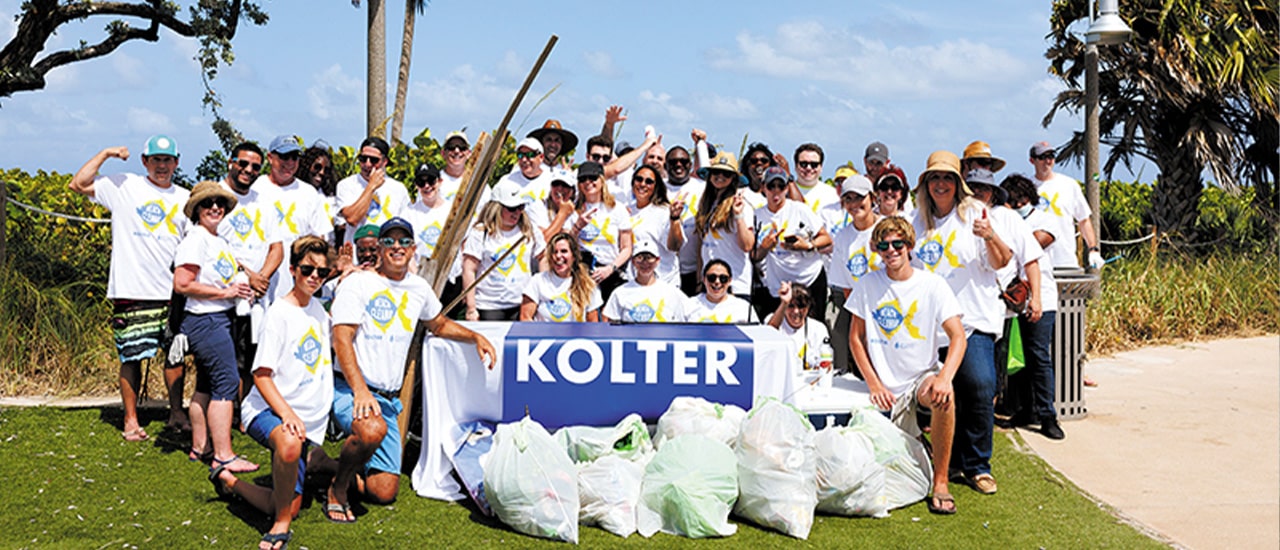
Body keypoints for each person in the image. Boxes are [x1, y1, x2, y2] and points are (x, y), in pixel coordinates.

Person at [327, 217, 496, 518]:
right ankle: (337, 487)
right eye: (389, 241)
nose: (397, 247)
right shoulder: (358, 283)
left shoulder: (418, 288)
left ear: (413, 249)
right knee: (371, 429)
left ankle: (322, 463)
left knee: (383, 491)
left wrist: (475, 337)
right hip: (351, 389)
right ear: (378, 248)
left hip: (388, 399)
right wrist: (360, 391)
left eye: (404, 241)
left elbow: (439, 324)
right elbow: (342, 338)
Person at [211, 236, 335, 550]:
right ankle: (281, 526)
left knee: (289, 502)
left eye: (322, 272)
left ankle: (230, 481)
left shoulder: (321, 312)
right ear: (292, 269)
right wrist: (288, 414)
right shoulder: (279, 314)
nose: (314, 277)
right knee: (290, 444)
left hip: (305, 422)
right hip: (268, 409)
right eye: (307, 269)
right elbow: (261, 376)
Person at [68, 135, 191, 441]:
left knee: (174, 355)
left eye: (167, 160)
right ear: (144, 161)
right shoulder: (124, 185)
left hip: (171, 291)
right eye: (155, 159)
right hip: (131, 289)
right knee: (131, 357)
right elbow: (78, 184)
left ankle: (176, 412)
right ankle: (131, 419)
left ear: (176, 162)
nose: (161, 166)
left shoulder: (186, 198)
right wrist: (106, 152)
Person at [846, 216, 967, 515]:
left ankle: (941, 481)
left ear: (910, 246)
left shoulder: (933, 285)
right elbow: (855, 339)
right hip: (882, 387)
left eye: (898, 243)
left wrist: (944, 378)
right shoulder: (868, 283)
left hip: (919, 381)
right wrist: (874, 384)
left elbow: (958, 337)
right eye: (884, 245)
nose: (891, 250)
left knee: (944, 398)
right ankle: (919, 445)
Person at [913, 150, 1012, 496]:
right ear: (926, 184)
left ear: (958, 184)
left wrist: (990, 236)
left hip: (972, 320)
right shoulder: (916, 220)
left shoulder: (974, 213)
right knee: (941, 395)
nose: (941, 184)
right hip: (929, 327)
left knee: (981, 386)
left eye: (947, 178)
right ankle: (948, 461)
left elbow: (1001, 262)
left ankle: (978, 465)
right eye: (934, 178)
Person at [173, 181, 259, 474]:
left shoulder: (217, 240)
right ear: (196, 209)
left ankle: (201, 446)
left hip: (219, 317)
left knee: (206, 385)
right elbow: (182, 283)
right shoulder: (195, 239)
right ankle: (223, 454)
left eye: (219, 204)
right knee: (226, 383)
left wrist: (239, 287)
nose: (215, 208)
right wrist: (226, 293)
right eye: (208, 204)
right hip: (206, 319)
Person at [217, 142, 283, 402]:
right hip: (222, 294)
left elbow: (277, 248)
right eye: (243, 163)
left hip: (256, 295)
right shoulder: (214, 196)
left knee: (250, 355)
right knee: (224, 357)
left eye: (256, 166)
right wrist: (247, 273)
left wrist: (261, 278)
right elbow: (211, 244)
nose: (248, 170)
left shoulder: (264, 203)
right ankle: (222, 407)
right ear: (231, 162)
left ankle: (243, 410)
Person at [1000, 173, 1064, 440]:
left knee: (1038, 356)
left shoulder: (1045, 219)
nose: (1016, 206)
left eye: (1018, 201)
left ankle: (1048, 415)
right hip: (1011, 300)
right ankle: (1026, 409)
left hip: (1042, 297)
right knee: (1020, 358)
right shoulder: (1006, 222)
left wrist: (1010, 232)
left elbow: (1034, 243)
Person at [253, 134, 335, 301]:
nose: (290, 163)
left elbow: (319, 240)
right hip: (258, 284)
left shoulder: (308, 193)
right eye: (284, 156)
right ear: (270, 157)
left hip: (295, 286)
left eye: (294, 157)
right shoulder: (255, 188)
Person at [752, 166, 832, 319]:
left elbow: (826, 238)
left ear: (787, 188)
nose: (776, 191)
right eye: (771, 186)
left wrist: (807, 245)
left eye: (781, 186)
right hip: (778, 285)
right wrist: (764, 247)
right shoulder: (756, 215)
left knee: (813, 330)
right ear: (763, 188)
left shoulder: (800, 209)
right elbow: (754, 256)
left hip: (809, 279)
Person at [462, 181, 547, 320]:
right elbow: (469, 269)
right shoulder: (480, 233)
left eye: (521, 207)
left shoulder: (529, 229)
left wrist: (542, 294)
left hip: (522, 303)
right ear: (496, 207)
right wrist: (471, 308)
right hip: (489, 305)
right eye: (511, 208)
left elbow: (543, 257)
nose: (517, 213)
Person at [827, 174, 882, 374]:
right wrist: (862, 319)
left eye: (859, 197)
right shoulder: (842, 237)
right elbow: (846, 286)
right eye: (848, 199)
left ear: (872, 199)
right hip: (861, 313)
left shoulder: (886, 227)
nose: (854, 204)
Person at [401, 164, 464, 316]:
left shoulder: (454, 210)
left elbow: (464, 244)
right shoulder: (408, 213)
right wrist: (417, 278)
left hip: (451, 280)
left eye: (431, 181)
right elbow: (406, 249)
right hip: (421, 278)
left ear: (440, 182)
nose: (427, 186)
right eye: (421, 182)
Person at [1028, 142, 1103, 270]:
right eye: (1042, 157)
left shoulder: (1069, 185)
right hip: (1035, 263)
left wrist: (1093, 249)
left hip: (1066, 262)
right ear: (1032, 160)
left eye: (1051, 156)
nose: (1047, 161)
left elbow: (1084, 220)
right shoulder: (1027, 187)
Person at [569, 161, 633, 302]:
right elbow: (566, 243)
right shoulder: (573, 210)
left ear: (602, 180)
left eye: (593, 178)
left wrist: (610, 268)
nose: (588, 182)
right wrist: (577, 226)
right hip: (583, 272)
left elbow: (627, 248)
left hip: (610, 271)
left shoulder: (618, 209)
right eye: (583, 179)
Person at [695, 152, 755, 299]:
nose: (720, 176)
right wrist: (699, 281)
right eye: (716, 171)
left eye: (726, 174)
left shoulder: (741, 205)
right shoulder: (706, 205)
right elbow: (703, 247)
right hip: (710, 283)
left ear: (733, 178)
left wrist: (738, 216)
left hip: (735, 284)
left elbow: (747, 245)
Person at [337, 136, 409, 245]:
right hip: (357, 255)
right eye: (363, 159)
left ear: (385, 161)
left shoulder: (398, 189)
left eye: (374, 160)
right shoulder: (346, 185)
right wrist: (371, 187)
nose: (367, 164)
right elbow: (352, 219)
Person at [520, 232, 602, 322]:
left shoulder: (588, 285)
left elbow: (593, 322)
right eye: (555, 252)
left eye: (564, 251)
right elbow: (525, 317)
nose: (558, 256)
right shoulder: (537, 281)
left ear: (574, 256)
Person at [602, 240, 691, 322]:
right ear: (633, 261)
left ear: (657, 261)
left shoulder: (672, 292)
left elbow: (690, 313)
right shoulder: (620, 292)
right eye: (640, 258)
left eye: (649, 258)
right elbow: (611, 322)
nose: (645, 263)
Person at [625, 164, 683, 285]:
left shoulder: (664, 212)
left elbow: (675, 246)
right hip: (634, 282)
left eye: (649, 181)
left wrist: (674, 218)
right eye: (639, 179)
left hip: (664, 281)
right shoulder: (626, 211)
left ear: (656, 187)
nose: (642, 184)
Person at [665, 143, 707, 295]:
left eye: (683, 162)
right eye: (673, 162)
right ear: (665, 165)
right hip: (666, 271)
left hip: (695, 270)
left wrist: (701, 145)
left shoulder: (702, 187)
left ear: (690, 165)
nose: (678, 165)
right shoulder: (657, 188)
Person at [765, 283, 829, 369]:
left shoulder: (819, 329)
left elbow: (824, 364)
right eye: (791, 306)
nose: (796, 311)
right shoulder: (773, 319)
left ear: (808, 307)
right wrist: (784, 302)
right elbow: (768, 334)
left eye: (801, 306)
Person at [297, 140, 341, 238]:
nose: (321, 172)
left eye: (326, 170)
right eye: (317, 167)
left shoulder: (332, 198)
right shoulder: (295, 193)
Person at [496, 137, 557, 204]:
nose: (524, 160)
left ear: (541, 157)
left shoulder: (552, 181)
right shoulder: (506, 181)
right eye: (520, 155)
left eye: (530, 155)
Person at [438, 131, 472, 202]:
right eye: (451, 147)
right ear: (443, 153)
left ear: (469, 153)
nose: (456, 151)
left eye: (462, 147)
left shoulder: (477, 181)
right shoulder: (433, 182)